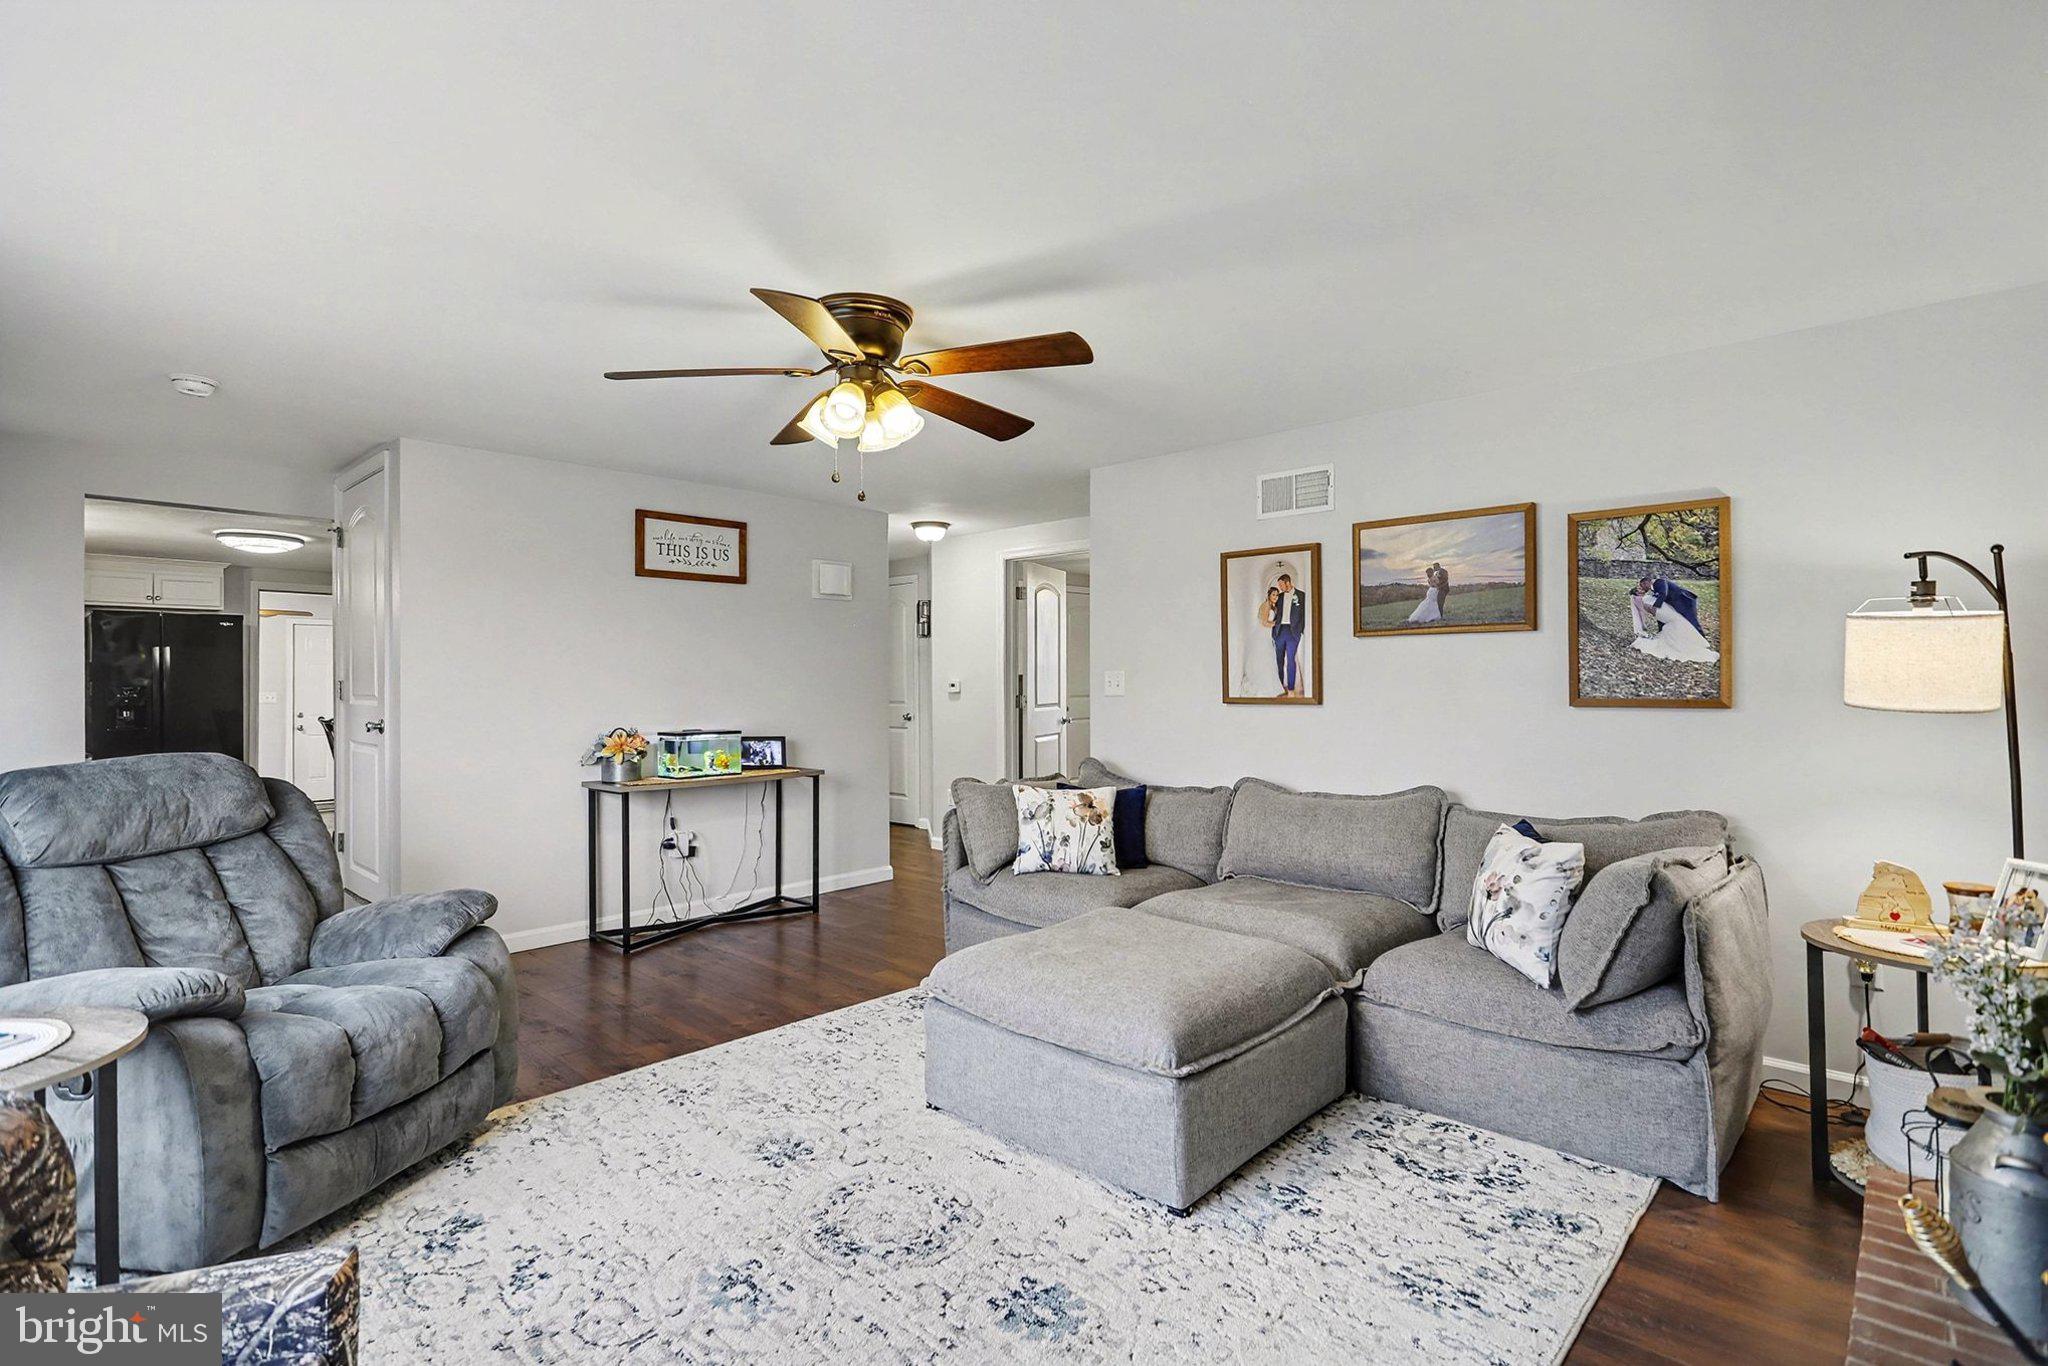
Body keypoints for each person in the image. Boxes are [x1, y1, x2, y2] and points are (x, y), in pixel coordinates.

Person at [1629, 575, 1719, 662]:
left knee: (1692, 621)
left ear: (1646, 582)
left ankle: (1700, 639)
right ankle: (1694, 640)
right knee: (1682, 622)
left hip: (1685, 601)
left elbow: (1664, 593)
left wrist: (1655, 606)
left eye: (1642, 586)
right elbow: (1662, 609)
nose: (1643, 588)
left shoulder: (1659, 582)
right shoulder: (1654, 589)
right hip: (1675, 606)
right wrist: (1661, 629)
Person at [1270, 572, 1307, 697]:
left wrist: (1301, 630)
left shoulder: (1301, 596)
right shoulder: (1278, 597)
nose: (1280, 588)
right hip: (1279, 631)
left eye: (1281, 585)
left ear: (1288, 583)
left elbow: (1304, 614)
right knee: (1279, 660)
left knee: (1291, 659)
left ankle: (1291, 688)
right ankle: (1280, 686)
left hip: (1293, 632)